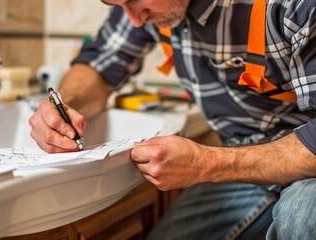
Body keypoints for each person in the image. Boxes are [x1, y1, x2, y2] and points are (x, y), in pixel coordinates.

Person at [29, 0, 316, 239]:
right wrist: (66, 105)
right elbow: (99, 66)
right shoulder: (143, 9)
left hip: (307, 169)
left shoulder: (293, 6)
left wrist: (205, 163)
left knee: (301, 218)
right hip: (242, 172)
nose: (135, 21)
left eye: (133, 1)